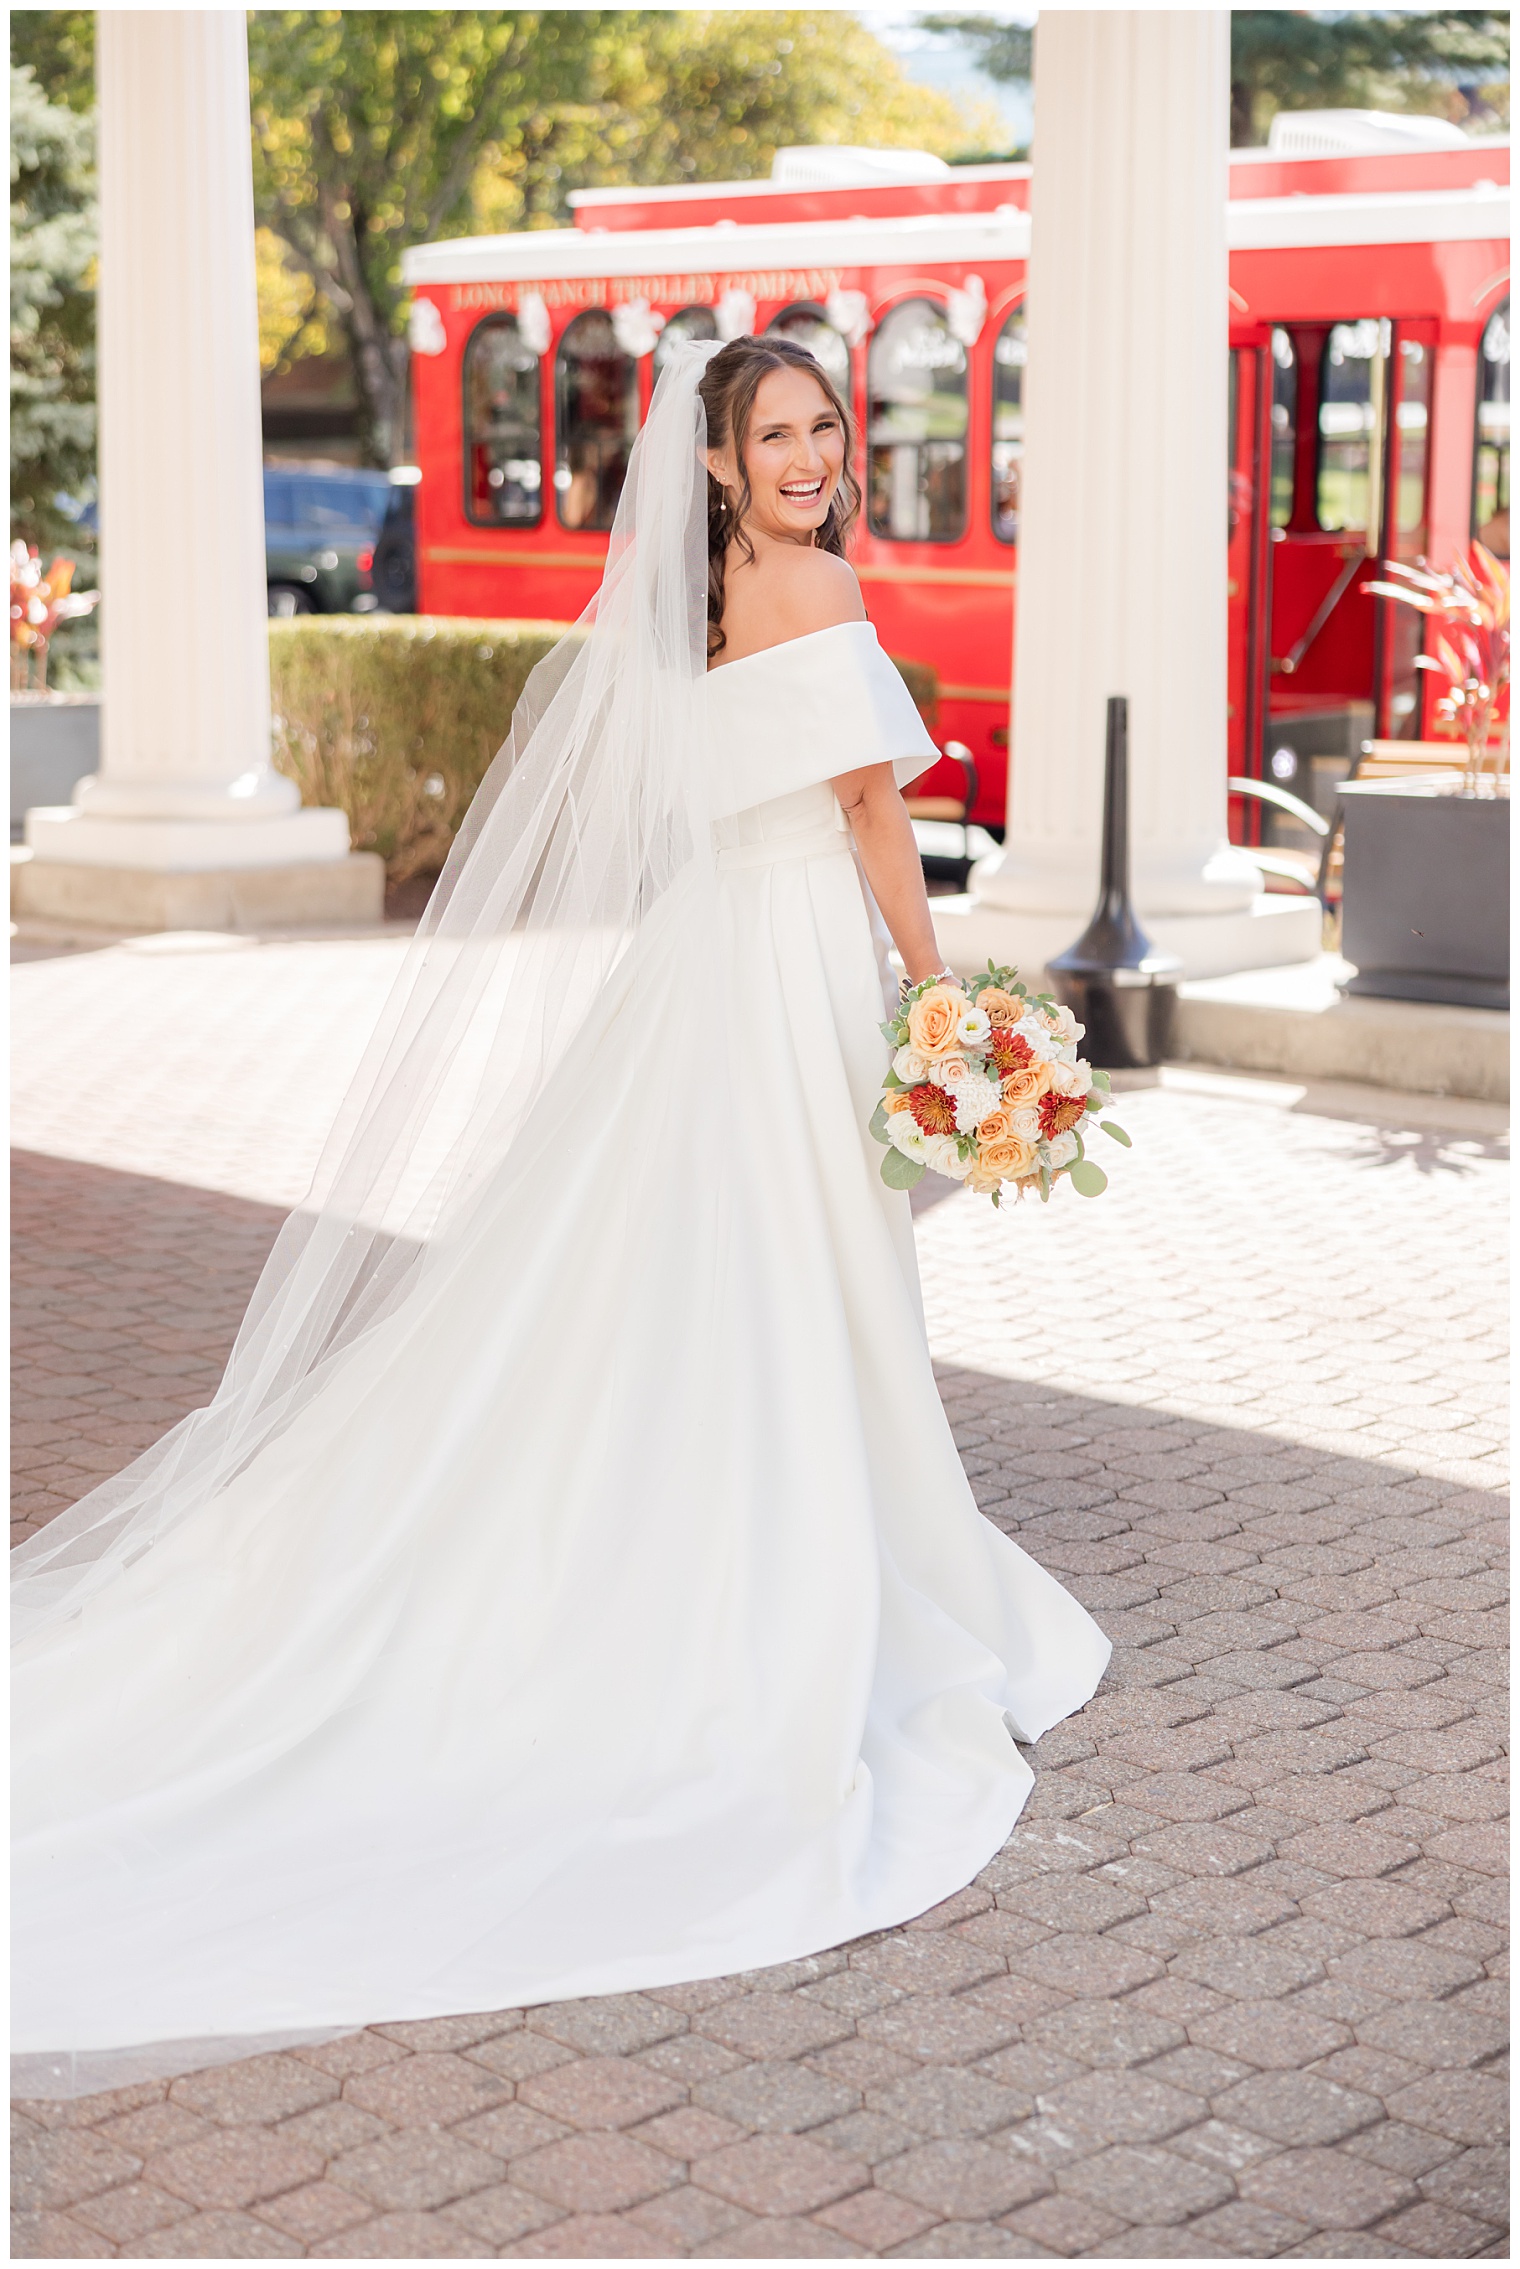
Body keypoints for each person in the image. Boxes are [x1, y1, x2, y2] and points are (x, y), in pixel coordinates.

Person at [12, 335, 1109, 2099]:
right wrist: (945, 1005)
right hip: (799, 963)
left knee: (680, 1272)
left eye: (827, 424)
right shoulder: (813, 579)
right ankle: (798, 1555)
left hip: (701, 970)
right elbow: (872, 813)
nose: (815, 455)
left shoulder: (679, 602)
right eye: (781, 433)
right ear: (727, 459)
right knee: (800, 1272)